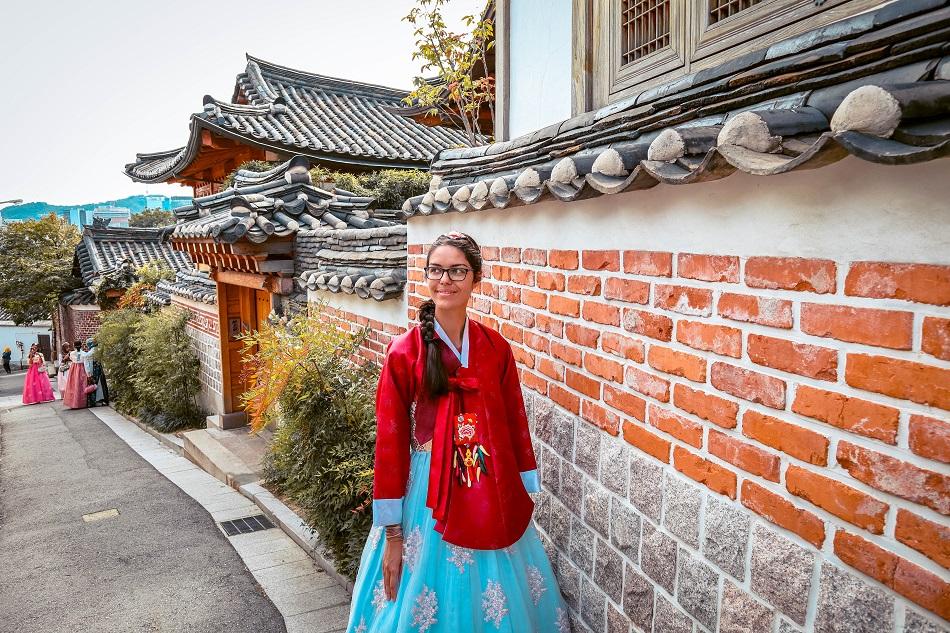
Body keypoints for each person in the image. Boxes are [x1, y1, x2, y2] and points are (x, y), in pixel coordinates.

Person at [346, 232, 569, 633]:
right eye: (436, 270)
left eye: (457, 271)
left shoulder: (495, 347)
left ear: (476, 278)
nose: (444, 280)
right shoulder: (404, 351)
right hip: (427, 490)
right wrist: (393, 534)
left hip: (485, 479)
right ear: (426, 275)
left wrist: (520, 479)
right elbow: (391, 442)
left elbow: (514, 417)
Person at [63, 341, 89, 409]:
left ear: (74, 345)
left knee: (74, 385)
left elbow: (71, 359)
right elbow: (85, 363)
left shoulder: (71, 353)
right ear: (81, 345)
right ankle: (82, 403)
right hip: (82, 369)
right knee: (82, 385)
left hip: (74, 369)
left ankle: (73, 402)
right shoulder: (84, 353)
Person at [84, 338, 109, 407]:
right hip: (99, 370)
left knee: (94, 385)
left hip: (93, 371)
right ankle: (103, 399)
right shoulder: (98, 351)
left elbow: (87, 366)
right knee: (101, 384)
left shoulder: (88, 354)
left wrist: (89, 375)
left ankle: (94, 401)